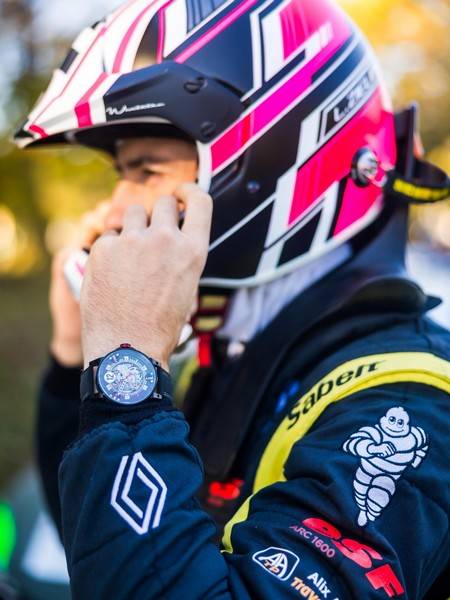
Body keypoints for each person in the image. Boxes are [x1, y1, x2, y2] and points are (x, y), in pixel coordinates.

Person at [14, 0, 450, 598]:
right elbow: (107, 545)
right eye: (121, 176)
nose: (115, 211)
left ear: (276, 156)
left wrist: (126, 365)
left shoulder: (409, 404)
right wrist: (76, 360)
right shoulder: (244, 346)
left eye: (145, 172)